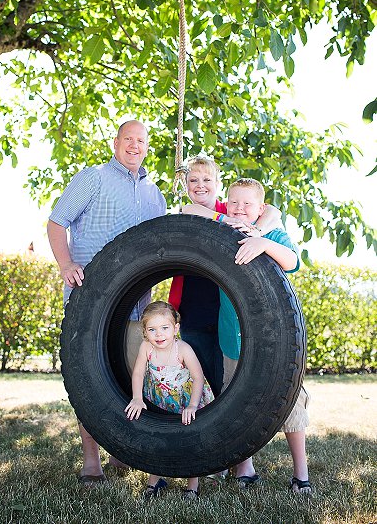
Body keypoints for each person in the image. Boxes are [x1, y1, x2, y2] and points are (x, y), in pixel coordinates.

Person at [47, 119, 166, 484]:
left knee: (129, 373)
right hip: (90, 300)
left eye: (141, 140)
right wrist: (66, 263)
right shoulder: (93, 177)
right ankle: (91, 460)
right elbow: (56, 222)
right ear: (116, 143)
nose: (134, 145)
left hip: (136, 306)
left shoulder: (154, 194)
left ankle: (121, 451)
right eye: (128, 139)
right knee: (89, 377)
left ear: (147, 147)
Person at [211, 178, 310, 494]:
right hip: (232, 337)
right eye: (234, 203)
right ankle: (244, 467)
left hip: (274, 340)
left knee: (290, 403)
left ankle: (301, 474)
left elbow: (293, 261)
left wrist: (264, 243)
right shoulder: (221, 233)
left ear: (261, 209)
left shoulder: (273, 233)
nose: (240, 209)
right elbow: (190, 214)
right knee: (234, 399)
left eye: (248, 204)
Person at [170, 156, 281, 396]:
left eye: (207, 179)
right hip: (194, 304)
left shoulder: (233, 209)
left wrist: (257, 230)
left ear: (218, 184)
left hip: (227, 306)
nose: (200, 185)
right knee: (199, 369)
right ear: (185, 184)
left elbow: (273, 210)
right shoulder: (203, 215)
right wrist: (225, 221)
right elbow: (189, 209)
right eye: (193, 180)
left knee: (227, 374)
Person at [125, 301, 214, 499]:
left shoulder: (183, 349)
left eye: (165, 328)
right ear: (145, 332)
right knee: (158, 439)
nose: (159, 334)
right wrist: (138, 398)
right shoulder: (146, 348)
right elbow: (138, 373)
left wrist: (192, 405)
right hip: (161, 400)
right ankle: (154, 482)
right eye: (152, 329)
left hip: (186, 400)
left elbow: (198, 377)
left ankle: (192, 485)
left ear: (175, 328)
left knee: (190, 441)